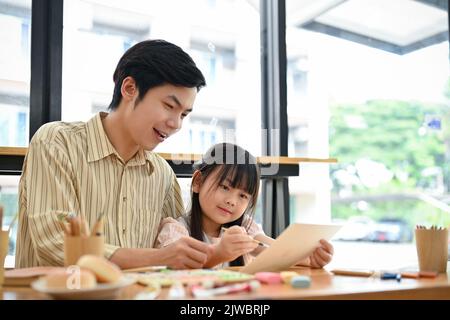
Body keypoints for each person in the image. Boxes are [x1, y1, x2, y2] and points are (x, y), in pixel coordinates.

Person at [16, 39, 214, 269]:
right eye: (169, 106)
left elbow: (176, 248)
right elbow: (57, 245)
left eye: (184, 115)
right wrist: (159, 258)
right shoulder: (57, 143)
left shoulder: (162, 174)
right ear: (129, 88)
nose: (175, 124)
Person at [155, 143, 334, 269]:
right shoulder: (176, 230)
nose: (232, 201)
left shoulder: (245, 228)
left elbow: (275, 251)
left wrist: (309, 258)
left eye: (243, 195)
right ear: (198, 182)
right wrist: (219, 252)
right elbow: (173, 271)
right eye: (225, 187)